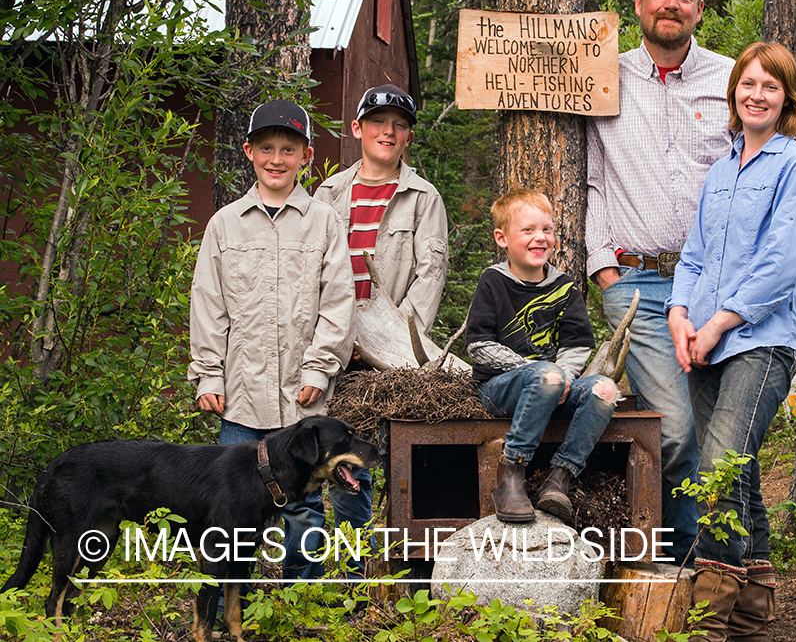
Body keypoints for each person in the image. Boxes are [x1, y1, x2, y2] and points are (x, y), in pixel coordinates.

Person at [667, 42, 796, 642]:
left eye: (771, 86)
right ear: (734, 91)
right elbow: (696, 254)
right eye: (748, 83)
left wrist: (717, 323)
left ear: (787, 100)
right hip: (703, 342)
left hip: (762, 343)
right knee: (742, 473)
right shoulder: (721, 170)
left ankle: (709, 619)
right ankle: (753, 613)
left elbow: (782, 263)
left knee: (718, 466)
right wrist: (681, 315)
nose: (757, 95)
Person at [586, 0, 735, 564]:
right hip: (639, 288)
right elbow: (589, 176)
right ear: (639, 3)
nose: (670, 4)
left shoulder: (730, 78)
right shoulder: (603, 78)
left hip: (713, 287)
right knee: (674, 432)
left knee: (712, 437)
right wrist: (604, 269)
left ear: (699, 8)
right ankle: (673, 562)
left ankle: (705, 567)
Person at [189, 98, 355, 581]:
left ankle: (301, 593)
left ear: (305, 154)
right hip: (239, 395)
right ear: (249, 151)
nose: (277, 159)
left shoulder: (323, 221)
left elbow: (337, 301)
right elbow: (209, 306)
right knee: (231, 502)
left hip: (301, 398)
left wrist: (320, 368)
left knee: (303, 506)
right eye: (267, 147)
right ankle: (225, 597)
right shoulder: (224, 224)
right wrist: (208, 375)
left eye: (288, 149)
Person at [311, 84, 449, 577]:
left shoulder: (422, 198)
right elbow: (313, 270)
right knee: (337, 464)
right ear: (357, 129)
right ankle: (344, 571)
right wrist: (330, 340)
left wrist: (392, 342)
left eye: (398, 124)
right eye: (377, 122)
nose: (387, 131)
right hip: (330, 346)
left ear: (408, 136)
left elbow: (429, 276)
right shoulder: (326, 195)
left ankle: (396, 567)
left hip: (387, 356)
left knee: (386, 459)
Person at [466, 189, 619, 523]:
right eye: (528, 230)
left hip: (554, 385)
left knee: (605, 389)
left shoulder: (565, 288)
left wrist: (562, 375)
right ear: (502, 238)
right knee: (547, 376)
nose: (540, 238)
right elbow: (478, 345)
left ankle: (559, 478)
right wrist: (537, 370)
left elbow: (578, 345)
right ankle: (512, 476)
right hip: (499, 388)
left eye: (547, 230)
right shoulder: (493, 282)